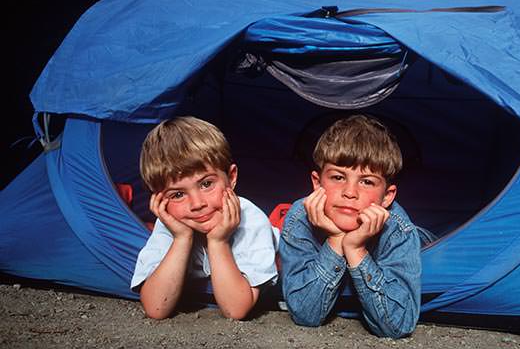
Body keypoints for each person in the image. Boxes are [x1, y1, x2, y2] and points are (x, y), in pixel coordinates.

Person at [279, 114, 423, 338]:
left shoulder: (399, 229)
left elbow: (398, 325)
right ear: (317, 183)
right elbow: (305, 314)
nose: (349, 192)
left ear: (387, 196)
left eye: (366, 181)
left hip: (423, 238)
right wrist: (337, 240)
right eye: (338, 177)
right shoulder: (299, 218)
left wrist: (356, 249)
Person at [130, 116, 278, 320]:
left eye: (206, 184)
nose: (197, 203)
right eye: (178, 194)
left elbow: (235, 309)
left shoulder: (251, 220)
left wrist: (218, 241)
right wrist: (181, 238)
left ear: (231, 177)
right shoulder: (171, 223)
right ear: (159, 200)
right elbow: (156, 308)